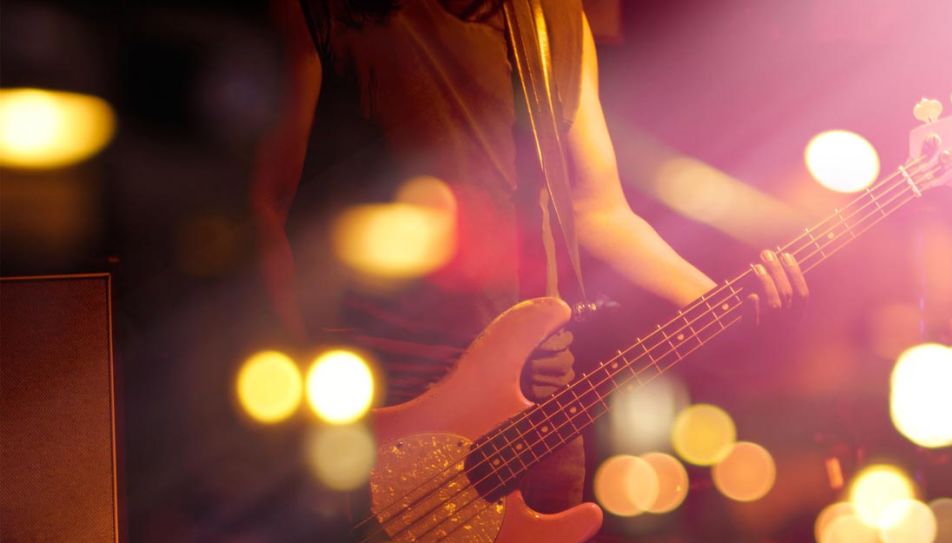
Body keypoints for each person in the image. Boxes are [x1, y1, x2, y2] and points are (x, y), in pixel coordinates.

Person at [249, 0, 808, 512]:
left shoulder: (552, 20)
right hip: (385, 408)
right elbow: (263, 210)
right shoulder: (322, 13)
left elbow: (598, 211)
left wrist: (718, 299)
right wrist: (290, 392)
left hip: (533, 421)